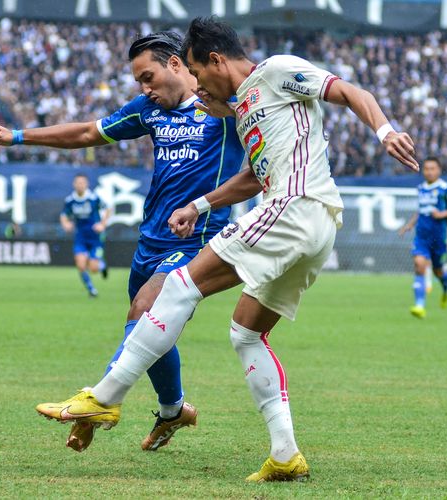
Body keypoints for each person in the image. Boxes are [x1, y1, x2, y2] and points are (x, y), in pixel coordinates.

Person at [35, 16, 418, 482]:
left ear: (215, 60)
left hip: (293, 208)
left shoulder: (277, 71)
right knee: (246, 333)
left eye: (196, 73)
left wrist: (385, 131)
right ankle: (285, 455)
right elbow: (256, 177)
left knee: (178, 288)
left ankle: (105, 398)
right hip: (314, 225)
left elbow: (354, 93)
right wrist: (199, 204)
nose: (196, 85)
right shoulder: (245, 110)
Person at [0, 31, 246, 452]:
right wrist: (17, 137)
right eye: (139, 82)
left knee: (145, 311)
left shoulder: (223, 106)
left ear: (176, 64)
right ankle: (172, 409)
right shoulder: (150, 110)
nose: (145, 89)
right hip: (150, 241)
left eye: (149, 77)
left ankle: (99, 401)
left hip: (198, 239)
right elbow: (89, 133)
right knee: (151, 332)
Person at [398, 157, 447, 319]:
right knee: (419, 265)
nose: (429, 172)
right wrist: (409, 224)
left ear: (439, 170)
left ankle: (446, 288)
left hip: (439, 238)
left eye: (433, 168)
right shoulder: (421, 189)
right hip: (422, 237)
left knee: (438, 271)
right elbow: (421, 210)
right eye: (426, 169)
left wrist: (442, 215)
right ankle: (419, 306)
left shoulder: (446, 188)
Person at [60, 174, 110, 298]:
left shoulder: (93, 198)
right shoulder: (70, 200)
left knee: (93, 268)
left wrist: (102, 224)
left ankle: (102, 266)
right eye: (78, 182)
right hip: (80, 237)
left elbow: (108, 209)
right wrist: (66, 224)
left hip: (95, 237)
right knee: (81, 265)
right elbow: (64, 215)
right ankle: (92, 290)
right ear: (74, 184)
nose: (80, 185)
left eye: (82, 183)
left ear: (86, 184)